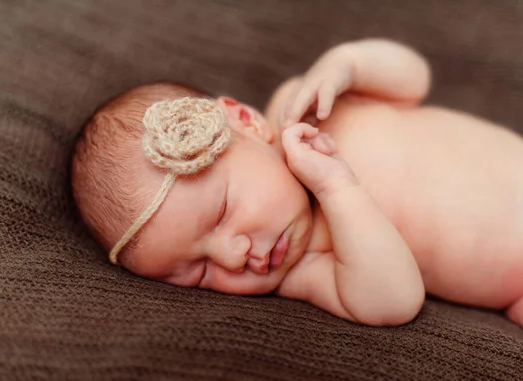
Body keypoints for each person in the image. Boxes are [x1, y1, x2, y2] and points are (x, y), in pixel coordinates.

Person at [71, 38, 523, 327]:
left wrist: (349, 64)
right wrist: (337, 189)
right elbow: (395, 303)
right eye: (200, 274)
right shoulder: (304, 266)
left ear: (247, 122)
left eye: (222, 212)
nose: (233, 257)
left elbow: (414, 80)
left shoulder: (303, 104)